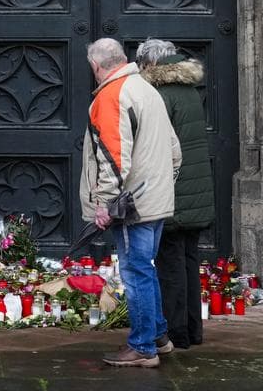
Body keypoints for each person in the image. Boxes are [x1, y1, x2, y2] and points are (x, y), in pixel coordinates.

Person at [81, 37, 182, 368]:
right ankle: (157, 337)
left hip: (131, 204)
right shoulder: (147, 90)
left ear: (97, 66)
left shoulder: (112, 95)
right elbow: (174, 150)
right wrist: (161, 187)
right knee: (145, 268)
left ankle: (142, 347)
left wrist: (106, 204)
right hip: (153, 198)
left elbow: (112, 157)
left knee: (136, 272)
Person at [137, 39, 214, 349]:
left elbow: (156, 148)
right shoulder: (188, 91)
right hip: (196, 192)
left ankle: (176, 332)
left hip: (173, 193)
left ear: (151, 64)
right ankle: (193, 331)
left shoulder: (158, 95)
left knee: (170, 264)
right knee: (188, 261)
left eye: (142, 64)